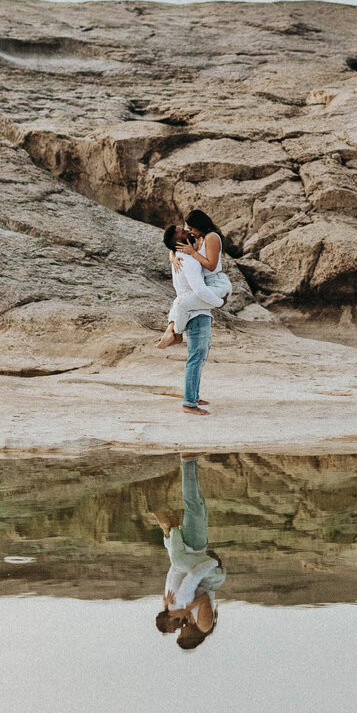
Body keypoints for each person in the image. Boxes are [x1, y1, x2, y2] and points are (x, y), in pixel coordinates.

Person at [153, 455, 225, 649]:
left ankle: (171, 533)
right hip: (207, 571)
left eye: (175, 630)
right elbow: (200, 595)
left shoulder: (183, 616)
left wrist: (169, 608)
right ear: (188, 638)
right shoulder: (202, 625)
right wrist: (186, 608)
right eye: (179, 635)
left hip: (196, 562)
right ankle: (171, 532)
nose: (179, 630)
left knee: (197, 505)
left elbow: (177, 594)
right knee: (194, 506)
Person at [157, 225, 222, 414]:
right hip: (196, 312)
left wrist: (173, 254)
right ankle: (189, 403)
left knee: (199, 356)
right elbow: (199, 290)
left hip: (195, 310)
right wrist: (218, 303)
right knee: (196, 357)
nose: (189, 232)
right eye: (184, 232)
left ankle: (193, 396)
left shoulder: (180, 257)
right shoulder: (188, 261)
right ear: (180, 242)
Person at [155, 211, 232, 350]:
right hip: (207, 283)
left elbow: (211, 265)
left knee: (181, 303)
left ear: (199, 226)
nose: (189, 232)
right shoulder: (198, 239)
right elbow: (174, 246)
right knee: (178, 301)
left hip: (217, 282)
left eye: (191, 229)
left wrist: (193, 253)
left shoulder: (211, 237)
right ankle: (170, 332)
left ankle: (176, 334)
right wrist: (173, 258)